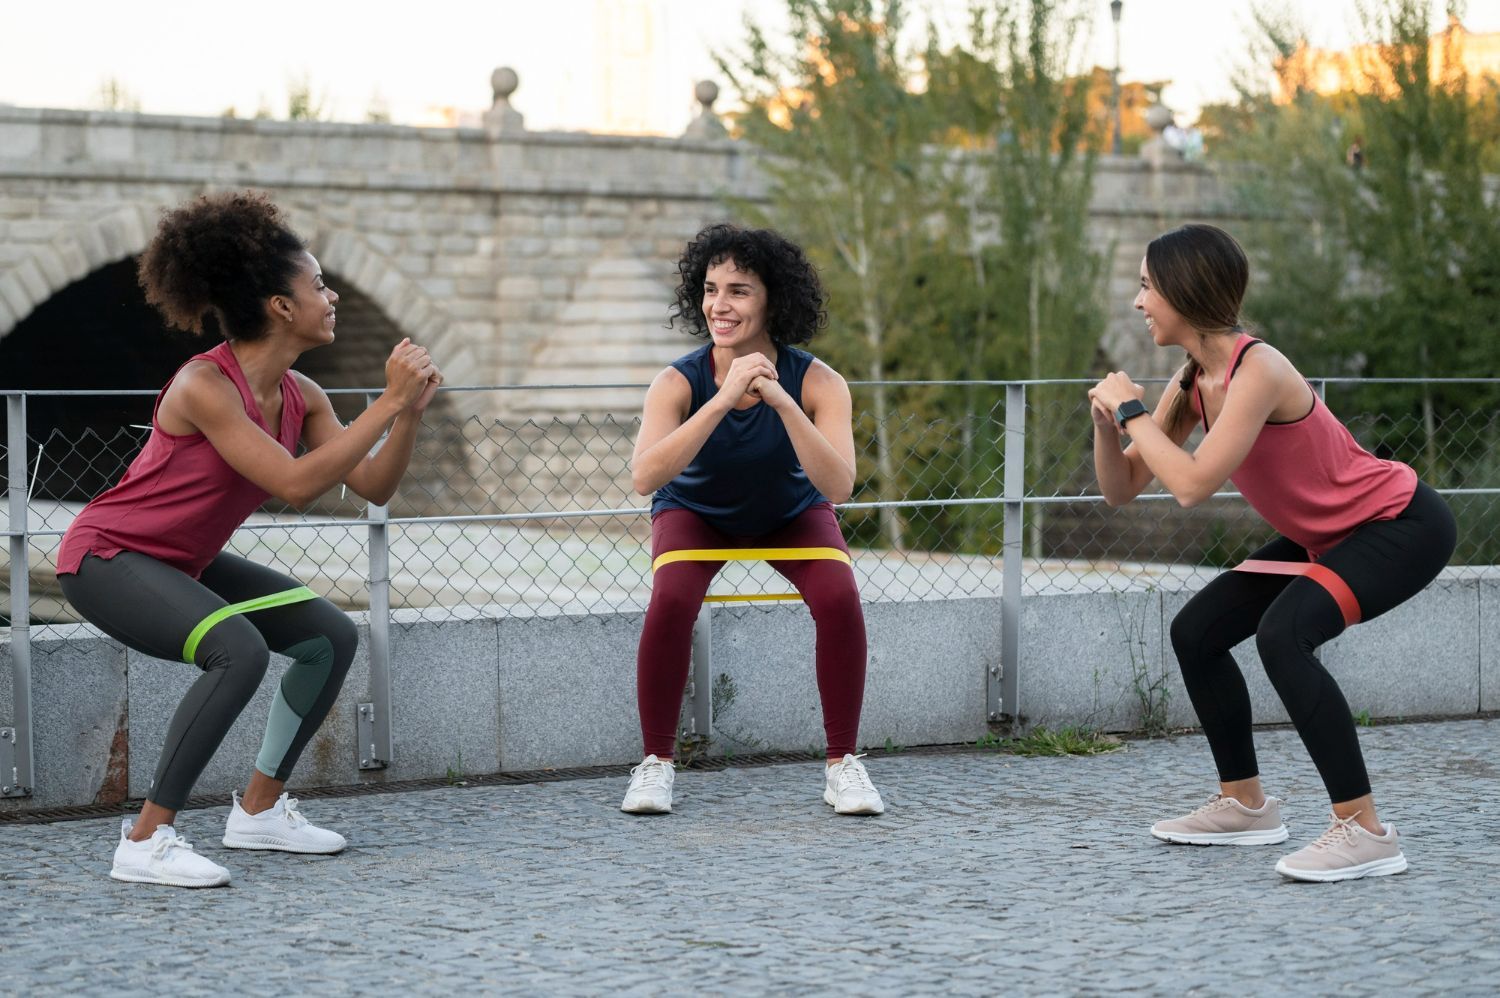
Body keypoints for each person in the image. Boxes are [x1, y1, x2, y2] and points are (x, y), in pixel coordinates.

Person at [57, 191, 443, 887]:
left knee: (329, 637)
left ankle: (259, 812)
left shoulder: (305, 395)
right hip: (106, 556)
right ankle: (145, 839)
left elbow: (374, 487)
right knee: (237, 650)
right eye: (318, 286)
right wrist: (383, 401)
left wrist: (407, 415)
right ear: (280, 307)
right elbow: (294, 485)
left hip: (184, 561)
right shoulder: (205, 385)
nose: (332, 297)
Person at [1088, 223, 1455, 882]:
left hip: (1399, 524)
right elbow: (1122, 490)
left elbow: (1193, 486)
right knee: (1196, 633)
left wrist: (1134, 411)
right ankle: (1244, 805)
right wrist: (1108, 425)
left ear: (1183, 288)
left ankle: (1366, 831)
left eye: (1147, 287)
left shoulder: (1258, 368)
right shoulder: (1192, 382)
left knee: (1284, 636)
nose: (1139, 302)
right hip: (1328, 535)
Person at [620, 223, 882, 817]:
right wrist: (721, 396)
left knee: (839, 596)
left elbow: (838, 485)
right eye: (711, 289)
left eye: (738, 290)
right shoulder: (676, 381)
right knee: (672, 599)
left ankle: (843, 763)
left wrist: (782, 399)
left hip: (789, 512)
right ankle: (656, 764)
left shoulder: (820, 381)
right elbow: (644, 478)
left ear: (773, 300)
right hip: (695, 512)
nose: (720, 304)